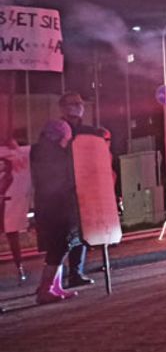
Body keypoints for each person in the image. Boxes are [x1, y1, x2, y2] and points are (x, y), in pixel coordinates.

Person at [55, 92, 110, 286]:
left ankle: (76, 273)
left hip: (84, 186)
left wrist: (101, 135)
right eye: (72, 104)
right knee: (65, 235)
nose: (77, 107)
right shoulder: (57, 129)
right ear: (62, 107)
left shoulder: (87, 130)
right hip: (65, 187)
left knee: (82, 231)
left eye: (79, 103)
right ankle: (55, 278)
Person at [29, 120, 80, 303]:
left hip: (47, 205)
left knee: (57, 247)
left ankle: (55, 287)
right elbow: (64, 178)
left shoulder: (38, 151)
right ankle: (46, 289)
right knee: (58, 247)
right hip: (57, 206)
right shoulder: (55, 153)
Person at [0, 131, 32, 285]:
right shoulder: (18, 155)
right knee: (13, 239)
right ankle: (19, 269)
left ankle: (20, 268)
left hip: (9, 203)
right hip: (9, 203)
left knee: (13, 238)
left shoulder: (16, 155)